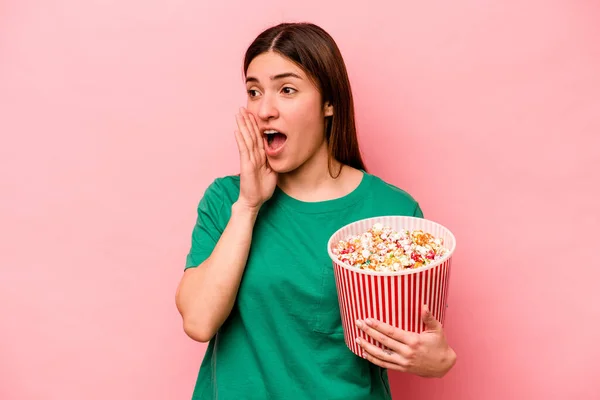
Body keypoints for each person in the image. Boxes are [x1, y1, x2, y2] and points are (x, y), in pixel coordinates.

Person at [175, 22, 456, 400]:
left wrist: (437, 360)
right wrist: (249, 205)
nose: (264, 110)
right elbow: (198, 320)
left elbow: (415, 334)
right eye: (253, 91)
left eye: (286, 90)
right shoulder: (227, 200)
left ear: (329, 102)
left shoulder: (391, 212)